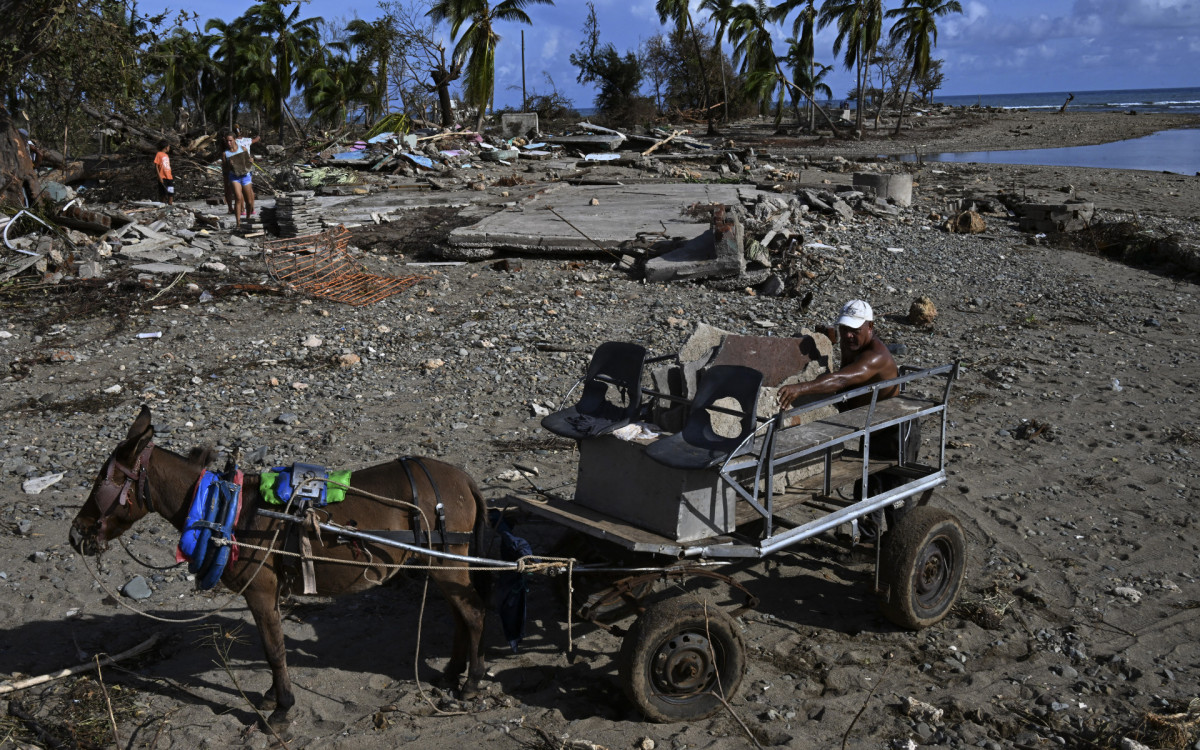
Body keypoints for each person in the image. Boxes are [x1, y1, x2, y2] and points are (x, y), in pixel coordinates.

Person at [778, 299, 917, 462]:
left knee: (891, 482)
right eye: (844, 329)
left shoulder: (876, 357)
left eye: (854, 330)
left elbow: (842, 379)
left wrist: (800, 388)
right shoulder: (850, 343)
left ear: (870, 327)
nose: (848, 335)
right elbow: (844, 374)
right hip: (871, 423)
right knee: (868, 481)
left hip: (893, 429)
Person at [222, 131, 255, 227]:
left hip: (245, 176)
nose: (229, 143)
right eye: (227, 141)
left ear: (235, 140)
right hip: (234, 177)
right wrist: (229, 164)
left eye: (230, 141)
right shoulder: (225, 154)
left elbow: (249, 164)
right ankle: (238, 223)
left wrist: (251, 160)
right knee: (238, 198)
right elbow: (225, 169)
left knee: (248, 202)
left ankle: (248, 218)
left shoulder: (243, 149)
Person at [153, 140, 175, 205]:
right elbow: (156, 166)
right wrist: (159, 177)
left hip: (169, 177)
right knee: (163, 193)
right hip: (162, 177)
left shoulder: (166, 155)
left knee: (171, 192)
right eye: (169, 146)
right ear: (166, 147)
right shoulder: (159, 154)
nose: (169, 148)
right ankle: (163, 205)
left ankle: (170, 205)